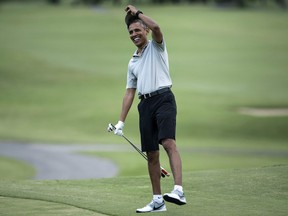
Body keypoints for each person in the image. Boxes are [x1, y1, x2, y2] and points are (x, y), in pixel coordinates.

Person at [107, 5, 186, 213]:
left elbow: (158, 26)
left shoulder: (157, 46)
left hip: (164, 99)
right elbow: (129, 92)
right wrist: (121, 122)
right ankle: (158, 201)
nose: (134, 34)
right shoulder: (132, 62)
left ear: (146, 31)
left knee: (168, 143)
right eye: (131, 32)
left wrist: (138, 13)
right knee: (151, 154)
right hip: (145, 105)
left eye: (137, 30)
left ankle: (178, 190)